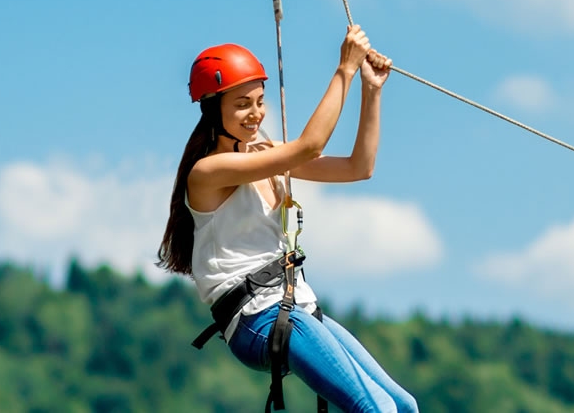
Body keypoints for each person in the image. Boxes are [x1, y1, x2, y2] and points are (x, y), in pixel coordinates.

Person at [156, 25, 416, 412]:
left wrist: (370, 90)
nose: (256, 113)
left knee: (402, 404)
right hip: (257, 317)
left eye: (259, 101)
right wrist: (344, 70)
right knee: (378, 409)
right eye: (242, 103)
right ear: (213, 108)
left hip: (294, 305)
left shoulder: (265, 154)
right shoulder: (208, 172)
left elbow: (358, 167)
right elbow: (310, 145)